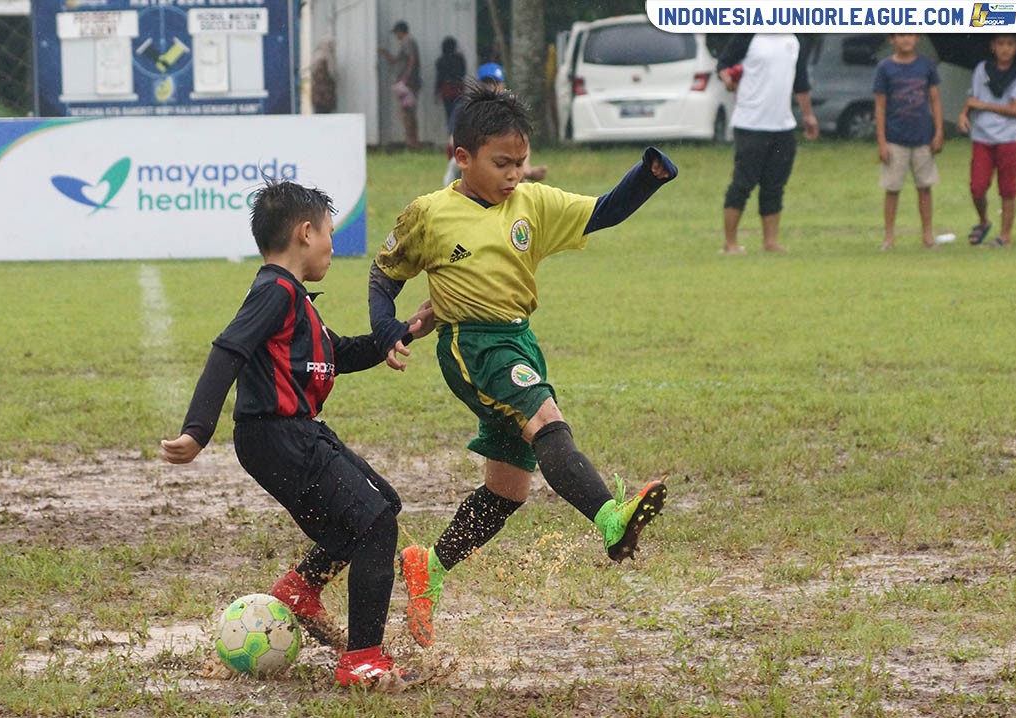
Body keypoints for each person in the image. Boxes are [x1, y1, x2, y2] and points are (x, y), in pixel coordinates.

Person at [368, 83, 675, 648]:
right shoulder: (430, 214)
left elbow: (602, 212)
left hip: (518, 340)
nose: (514, 174)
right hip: (473, 348)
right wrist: (386, 328)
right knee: (546, 419)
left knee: (508, 489)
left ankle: (427, 567)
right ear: (461, 157)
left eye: (521, 162)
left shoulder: (530, 203)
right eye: (501, 163)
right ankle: (610, 520)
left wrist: (647, 177)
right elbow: (385, 273)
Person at [160, 180, 434, 688]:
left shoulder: (293, 300)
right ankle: (363, 662)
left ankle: (301, 591)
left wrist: (406, 330)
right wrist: (198, 430)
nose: (333, 243)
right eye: (329, 232)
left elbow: (342, 353)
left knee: (380, 508)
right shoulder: (276, 291)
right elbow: (228, 351)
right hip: (279, 435)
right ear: (306, 233)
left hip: (287, 436)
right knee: (373, 525)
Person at [716, 34, 819, 254]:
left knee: (775, 185)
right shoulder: (748, 34)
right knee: (742, 184)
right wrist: (728, 80)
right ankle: (730, 243)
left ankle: (770, 241)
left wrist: (808, 115)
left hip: (782, 125)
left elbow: (800, 81)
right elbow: (723, 65)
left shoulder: (794, 38)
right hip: (750, 123)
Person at [874, 33, 944, 250]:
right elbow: (880, 107)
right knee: (892, 188)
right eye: (901, 35)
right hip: (895, 138)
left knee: (925, 187)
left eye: (910, 35)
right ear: (891, 39)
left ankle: (927, 236)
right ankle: (889, 237)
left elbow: (935, 100)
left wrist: (939, 131)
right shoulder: (884, 68)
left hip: (922, 137)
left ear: (917, 38)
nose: (906, 40)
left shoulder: (926, 66)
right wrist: (882, 141)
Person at [957, 33, 1016, 248]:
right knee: (977, 187)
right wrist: (963, 114)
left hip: (1008, 138)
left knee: (1007, 189)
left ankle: (1005, 236)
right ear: (993, 46)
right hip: (981, 137)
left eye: (1010, 44)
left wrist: (984, 106)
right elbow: (972, 98)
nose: (1005, 49)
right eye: (1001, 43)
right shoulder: (981, 69)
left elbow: (1015, 109)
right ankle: (984, 220)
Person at [442, 64, 548, 187]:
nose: (491, 87)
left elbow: (521, 138)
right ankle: (449, 196)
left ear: (503, 85)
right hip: (474, 153)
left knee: (515, 176)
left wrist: (525, 167)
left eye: (495, 82)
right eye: (486, 83)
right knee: (455, 166)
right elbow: (453, 138)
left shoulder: (510, 107)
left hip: (505, 154)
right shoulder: (466, 107)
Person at [379, 20, 422, 149]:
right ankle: (411, 141)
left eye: (396, 33)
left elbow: (412, 59)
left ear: (400, 31)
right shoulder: (404, 43)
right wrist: (385, 53)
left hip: (408, 85)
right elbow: (396, 61)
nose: (396, 36)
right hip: (406, 84)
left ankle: (412, 143)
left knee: (408, 113)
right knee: (407, 113)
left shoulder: (408, 41)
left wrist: (405, 78)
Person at [435, 36, 467, 128]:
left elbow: (439, 77)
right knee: (459, 115)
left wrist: (436, 92)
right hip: (459, 88)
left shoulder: (441, 60)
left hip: (447, 89)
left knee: (449, 114)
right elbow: (463, 73)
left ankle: (451, 136)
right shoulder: (460, 59)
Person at [310, 37, 337, 114]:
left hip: (319, 96)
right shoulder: (325, 57)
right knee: (324, 113)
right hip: (324, 95)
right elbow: (332, 72)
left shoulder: (316, 56)